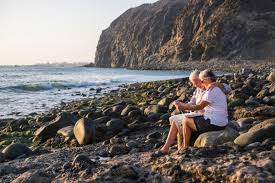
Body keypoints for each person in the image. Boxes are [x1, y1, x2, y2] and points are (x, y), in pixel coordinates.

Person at [152, 69, 229, 157]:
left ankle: (184, 147)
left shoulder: (212, 89)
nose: (195, 85)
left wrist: (218, 84)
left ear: (202, 79)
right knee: (174, 120)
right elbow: (192, 104)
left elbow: (199, 106)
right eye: (193, 83)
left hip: (209, 118)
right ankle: (168, 148)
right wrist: (181, 105)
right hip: (203, 115)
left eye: (198, 82)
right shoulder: (199, 90)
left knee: (185, 120)